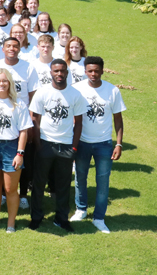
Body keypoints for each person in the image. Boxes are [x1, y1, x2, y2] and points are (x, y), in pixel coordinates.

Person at [29, 59, 86, 233]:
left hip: (66, 146)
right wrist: (39, 145)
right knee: (38, 184)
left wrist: (74, 148)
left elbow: (79, 123)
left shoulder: (75, 95)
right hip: (45, 144)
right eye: (56, 71)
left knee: (63, 185)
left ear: (67, 73)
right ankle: (36, 217)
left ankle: (62, 219)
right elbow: (35, 120)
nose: (59, 74)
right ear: (51, 73)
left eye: (62, 71)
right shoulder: (42, 92)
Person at [71, 56, 126, 233]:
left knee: (103, 181)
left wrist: (118, 144)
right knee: (80, 178)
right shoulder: (76, 89)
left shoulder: (113, 91)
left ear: (102, 70)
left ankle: (99, 218)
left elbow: (118, 119)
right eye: (90, 71)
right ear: (85, 71)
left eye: (96, 70)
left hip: (104, 144)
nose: (93, 74)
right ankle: (81, 209)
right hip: (82, 142)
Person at [0, 68, 31, 232]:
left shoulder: (18, 104)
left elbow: (24, 130)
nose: (1, 84)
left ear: (9, 83)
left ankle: (11, 223)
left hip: (11, 147)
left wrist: (20, 153)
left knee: (10, 189)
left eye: (4, 81)